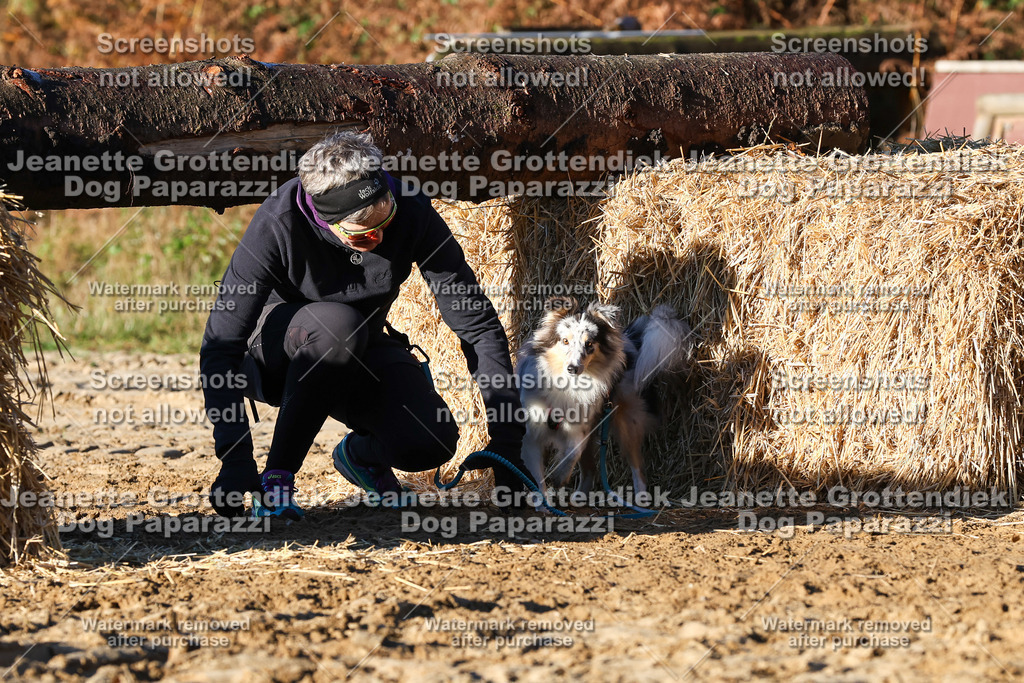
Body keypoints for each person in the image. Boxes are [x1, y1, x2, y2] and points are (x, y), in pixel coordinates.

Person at [199, 131, 530, 519]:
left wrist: (509, 443)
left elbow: (477, 326)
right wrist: (234, 457)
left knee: (430, 441)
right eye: (362, 234)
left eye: (385, 220)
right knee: (338, 325)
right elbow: (220, 345)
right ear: (324, 219)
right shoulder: (278, 222)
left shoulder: (411, 208)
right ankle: (278, 479)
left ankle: (359, 455)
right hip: (275, 352)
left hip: (359, 345)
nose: (380, 237)